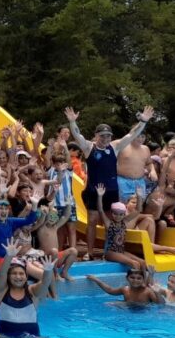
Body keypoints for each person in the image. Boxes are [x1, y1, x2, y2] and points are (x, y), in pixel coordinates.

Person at [64, 105, 154, 259]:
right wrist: (72, 122)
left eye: (108, 136)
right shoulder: (88, 148)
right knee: (92, 220)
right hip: (93, 191)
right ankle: (90, 252)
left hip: (111, 191)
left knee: (111, 223)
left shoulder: (115, 147)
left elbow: (132, 135)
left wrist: (143, 121)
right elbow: (77, 135)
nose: (105, 139)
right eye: (102, 136)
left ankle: (109, 250)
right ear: (96, 136)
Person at [0, 242, 55, 338]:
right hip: (5, 336)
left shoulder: (32, 292)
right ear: (8, 276)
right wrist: (8, 256)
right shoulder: (2, 291)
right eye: (14, 273)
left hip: (31, 337)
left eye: (21, 273)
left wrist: (48, 271)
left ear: (26, 277)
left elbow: (45, 283)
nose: (18, 276)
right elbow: (1, 274)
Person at [87, 267, 163, 305]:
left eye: (139, 278)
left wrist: (157, 293)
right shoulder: (125, 289)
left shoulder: (147, 291)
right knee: (109, 304)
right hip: (128, 307)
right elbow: (110, 290)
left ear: (143, 280)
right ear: (127, 278)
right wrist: (96, 280)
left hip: (144, 310)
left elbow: (159, 304)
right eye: (132, 277)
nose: (135, 280)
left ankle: (151, 274)